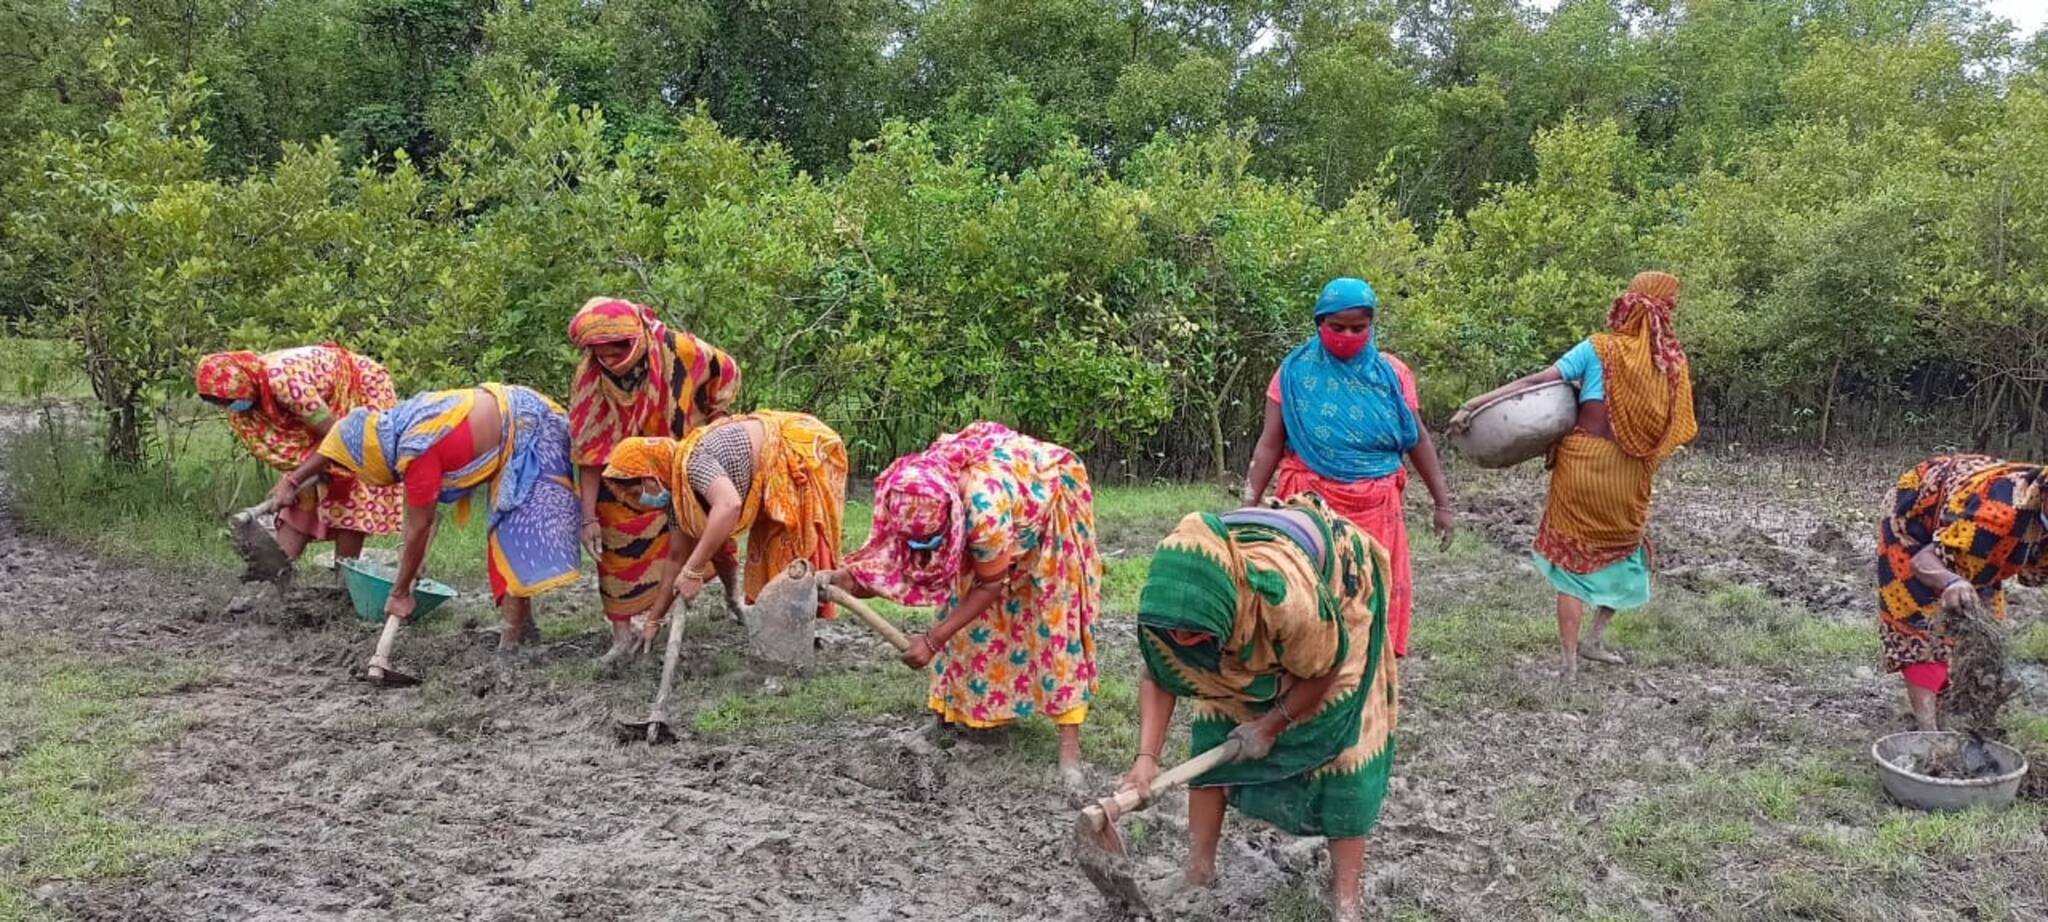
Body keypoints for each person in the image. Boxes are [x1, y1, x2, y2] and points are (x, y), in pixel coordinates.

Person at [1118, 494, 1397, 922]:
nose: (1179, 637)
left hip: (1335, 598)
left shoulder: (1289, 602)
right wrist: (1145, 759)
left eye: (1191, 634)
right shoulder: (1172, 601)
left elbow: (1324, 669)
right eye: (1174, 632)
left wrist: (1271, 724)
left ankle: (1347, 903)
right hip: (1239, 623)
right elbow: (1159, 672)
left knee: (1347, 756)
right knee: (1213, 728)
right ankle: (1198, 870)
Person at [1452, 271, 1696, 679]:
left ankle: (1568, 665)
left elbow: (1536, 383)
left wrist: (1474, 405)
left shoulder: (1598, 349)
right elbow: (1674, 428)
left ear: (1627, 303)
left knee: (1571, 562)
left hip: (1580, 464)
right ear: (1666, 312)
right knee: (1629, 550)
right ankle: (1595, 640)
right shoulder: (1670, 367)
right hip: (1627, 474)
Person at [836, 422, 1101, 789]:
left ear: (952, 519)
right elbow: (899, 563)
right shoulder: (908, 489)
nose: (923, 553)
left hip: (1048, 506)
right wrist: (843, 581)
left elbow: (990, 585)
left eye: (932, 544)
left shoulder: (984, 509)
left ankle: (1069, 754)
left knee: (1052, 618)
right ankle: (945, 717)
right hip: (995, 497)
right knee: (955, 609)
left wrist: (931, 641)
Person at [284, 384, 581, 681]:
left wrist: (400, 592)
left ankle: (511, 645)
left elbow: (418, 528)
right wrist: (293, 481)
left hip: (534, 430)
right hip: (513, 414)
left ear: (370, 457)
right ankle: (524, 628)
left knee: (511, 541)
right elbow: (338, 441)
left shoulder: (417, 452)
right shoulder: (390, 426)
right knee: (502, 538)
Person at [1243, 277, 1455, 659]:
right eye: (1336, 327)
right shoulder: (1294, 374)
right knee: (1307, 602)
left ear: (1372, 326)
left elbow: (1418, 440)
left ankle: (1364, 686)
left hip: (1376, 508)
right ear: (1319, 324)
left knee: (1368, 604)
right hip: (1308, 505)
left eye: (1358, 328)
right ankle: (1303, 688)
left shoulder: (1391, 375)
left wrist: (1443, 504)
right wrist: (1249, 501)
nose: (1347, 335)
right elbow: (1271, 441)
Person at [566, 297, 744, 661]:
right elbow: (588, 451)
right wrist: (588, 518)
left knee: (712, 532)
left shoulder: (681, 352)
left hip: (683, 459)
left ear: (638, 340)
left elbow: (723, 371)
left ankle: (734, 598)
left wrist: (714, 423)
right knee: (613, 548)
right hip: (623, 474)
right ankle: (622, 635)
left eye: (616, 351)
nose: (608, 360)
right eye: (598, 353)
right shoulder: (589, 379)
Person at [600, 411, 846, 638]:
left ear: (651, 477)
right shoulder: (679, 497)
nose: (637, 501)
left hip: (801, 455)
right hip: (771, 476)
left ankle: (793, 646)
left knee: (790, 558)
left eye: (635, 492)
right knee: (769, 564)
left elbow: (728, 505)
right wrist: (653, 621)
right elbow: (675, 559)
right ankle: (782, 637)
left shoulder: (694, 461)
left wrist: (694, 571)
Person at [1876, 455, 2047, 730]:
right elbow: (1922, 563)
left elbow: (2016, 566)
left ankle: (1970, 719)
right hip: (1915, 514)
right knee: (1920, 625)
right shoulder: (1996, 514)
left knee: (1986, 632)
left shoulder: (2021, 526)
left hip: (1975, 532)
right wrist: (1951, 582)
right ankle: (1930, 735)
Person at [196, 344, 402, 566]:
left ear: (244, 384)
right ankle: (276, 573)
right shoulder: (245, 391)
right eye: (221, 404)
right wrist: (296, 480)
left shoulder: (284, 383)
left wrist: (294, 479)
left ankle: (346, 580)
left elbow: (340, 438)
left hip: (359, 389)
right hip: (324, 415)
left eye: (228, 402)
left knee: (351, 482)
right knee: (306, 487)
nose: (228, 408)